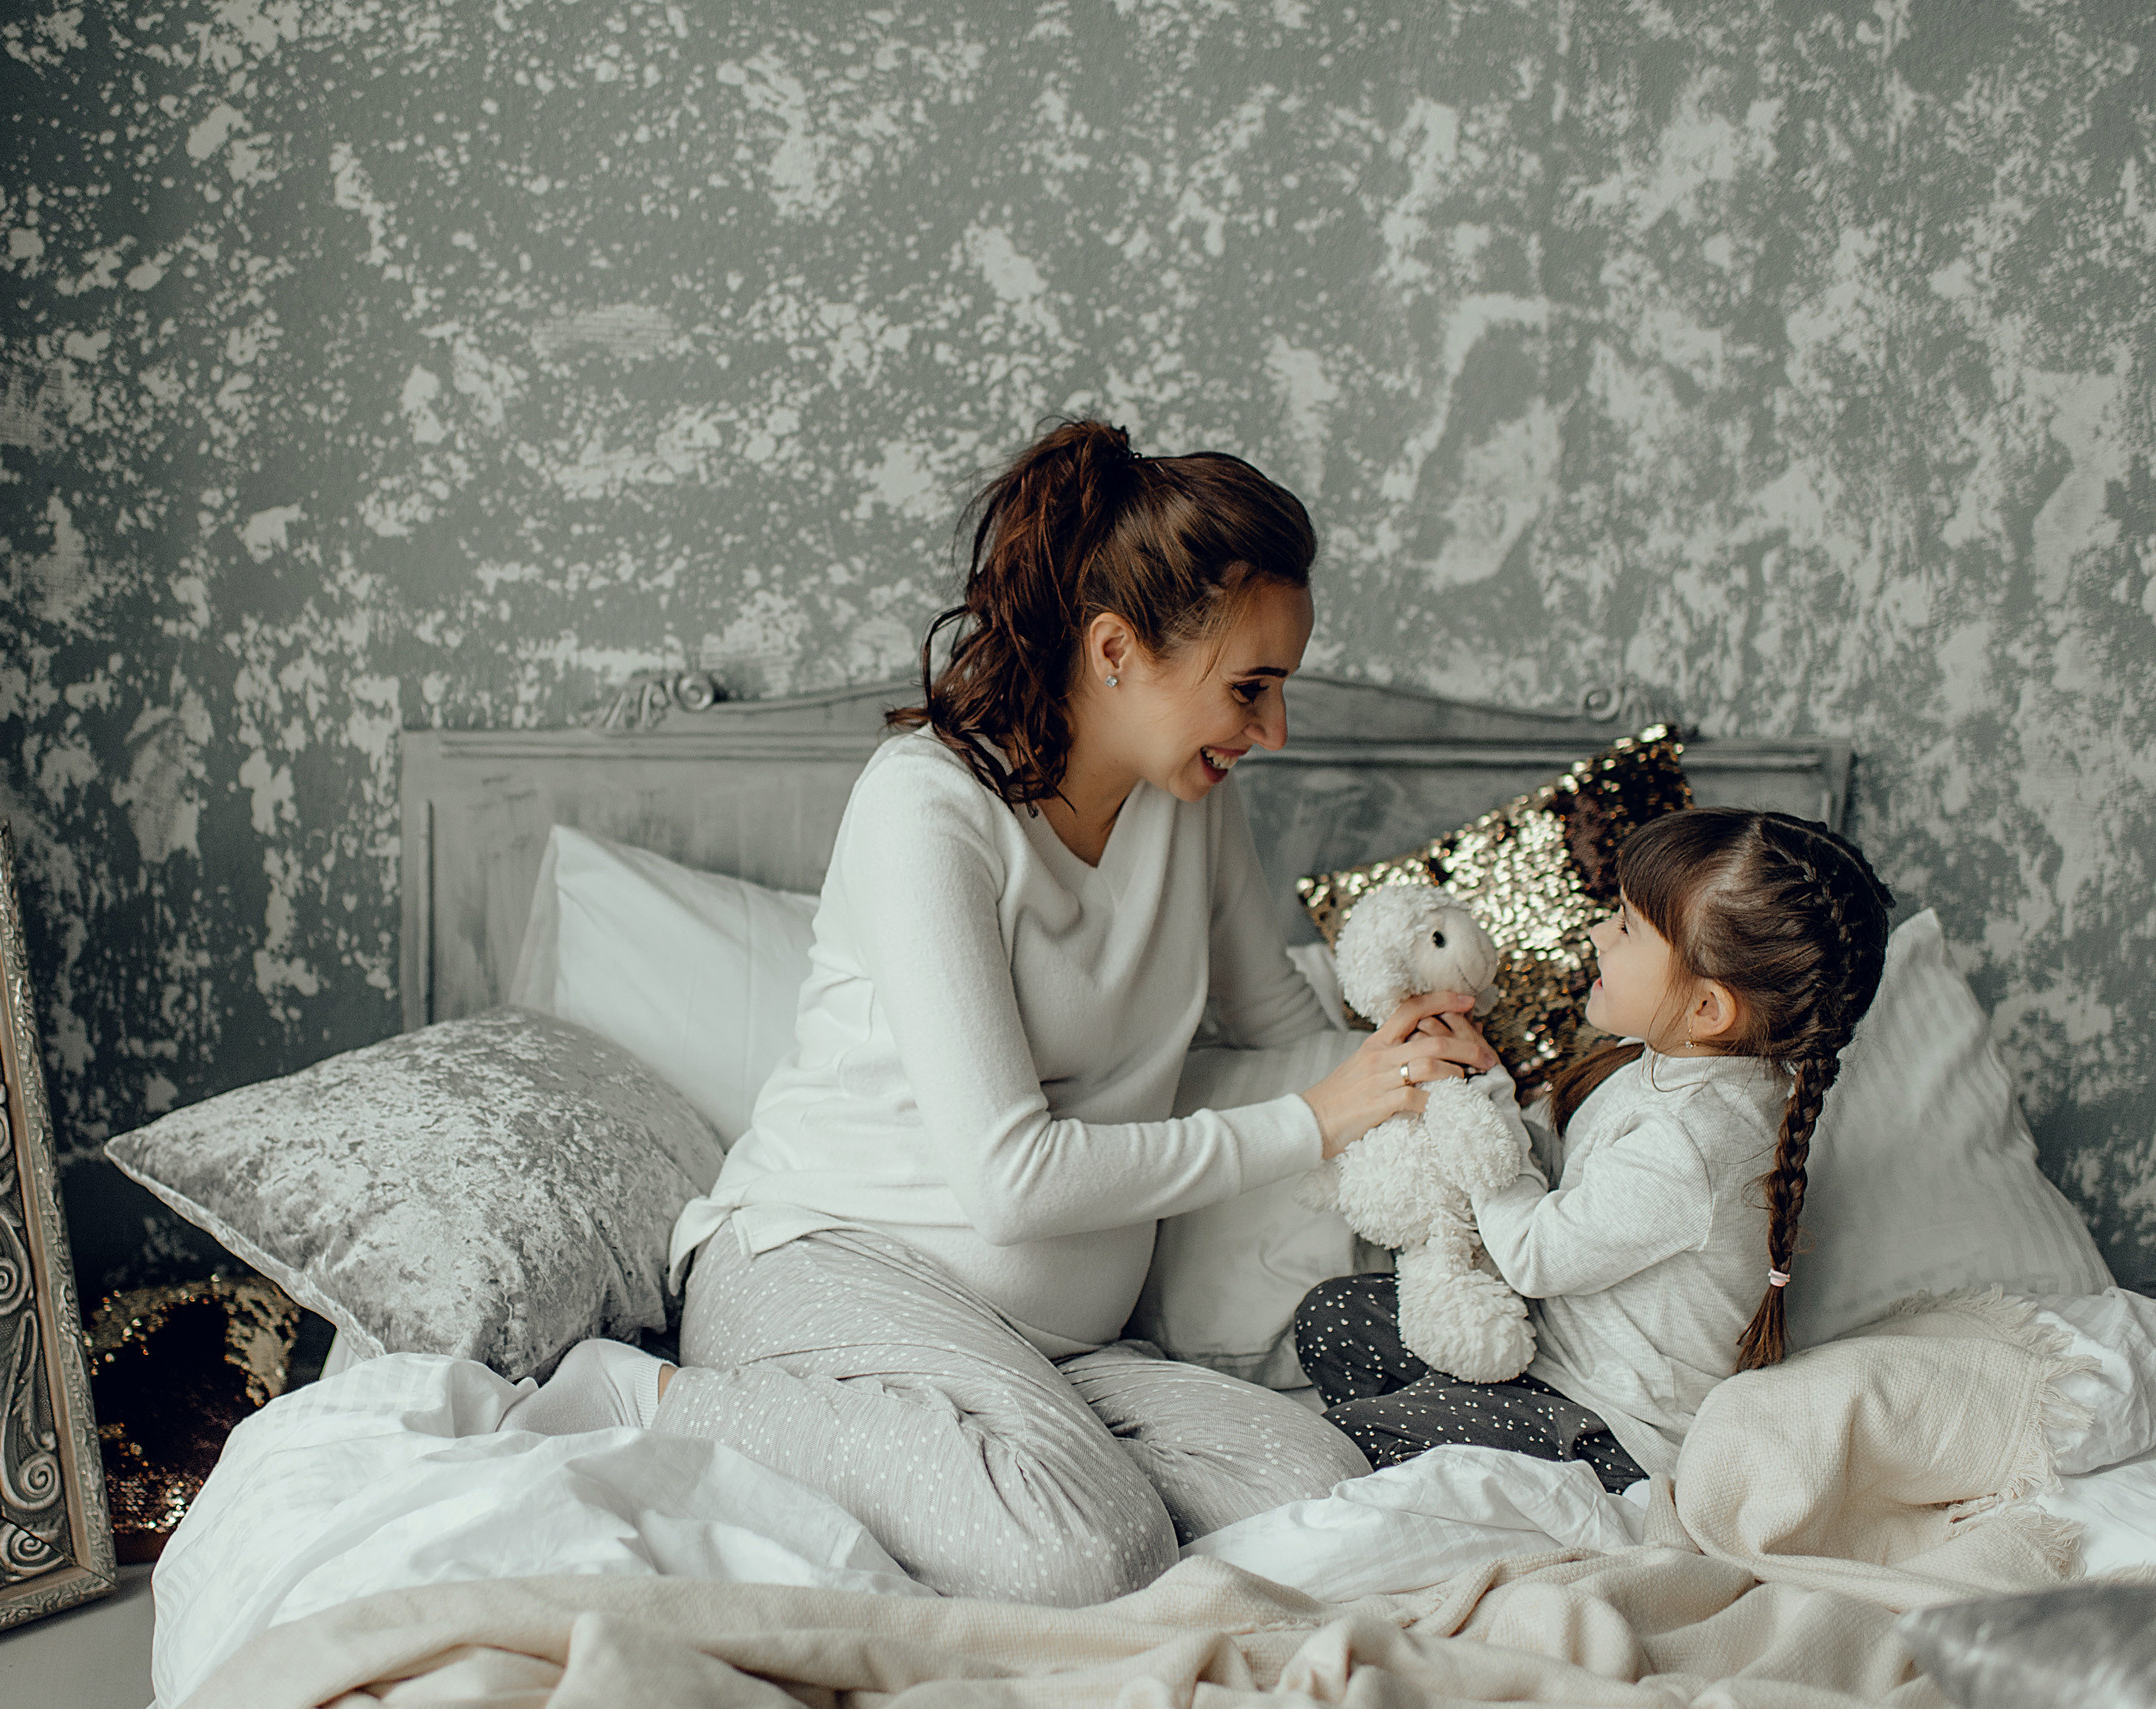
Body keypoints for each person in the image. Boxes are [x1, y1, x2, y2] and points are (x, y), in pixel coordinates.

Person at [500, 417, 1497, 1603]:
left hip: (1057, 1347)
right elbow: (1009, 1180)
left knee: (1310, 1487)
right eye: (1250, 687)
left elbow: (1278, 1030)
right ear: (1117, 650)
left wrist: (1422, 1065)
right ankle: (649, 1394)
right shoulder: (928, 808)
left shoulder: (1191, 801)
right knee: (1087, 1550)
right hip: (826, 1264)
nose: (1271, 730)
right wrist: (1317, 1116)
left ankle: (1026, 1446)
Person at [1295, 807, 1894, 1491]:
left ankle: (1443, 1462)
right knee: (1332, 1316)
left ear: (1707, 1008)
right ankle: (1439, 1432)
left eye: (1627, 927)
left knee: (1342, 1444)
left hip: (1607, 1425)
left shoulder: (1695, 1141)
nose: (1596, 932)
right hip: (1550, 1347)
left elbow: (1532, 1253)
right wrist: (1483, 1075)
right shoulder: (1663, 1061)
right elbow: (1571, 1180)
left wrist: (1479, 1114)